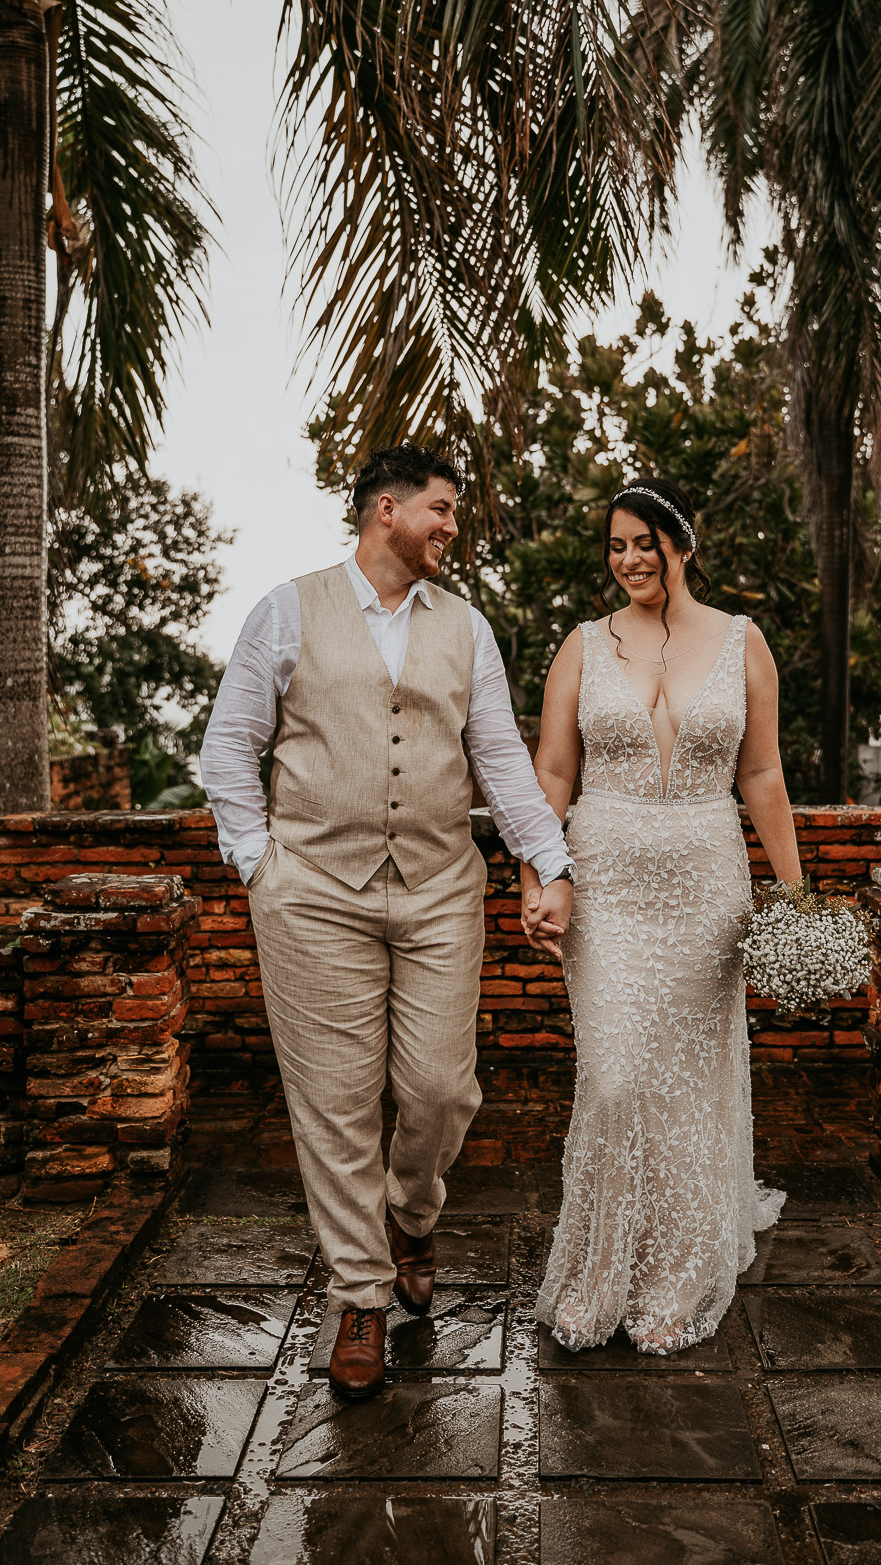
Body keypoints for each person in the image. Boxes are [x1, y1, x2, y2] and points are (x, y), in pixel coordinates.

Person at [200, 445, 574, 1400]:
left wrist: (548, 862)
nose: (452, 525)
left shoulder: (467, 628)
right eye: (441, 509)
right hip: (313, 892)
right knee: (334, 1103)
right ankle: (361, 1293)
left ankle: (414, 1212)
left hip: (441, 885)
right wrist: (261, 868)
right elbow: (229, 751)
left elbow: (499, 756)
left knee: (443, 1089)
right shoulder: (287, 610)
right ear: (385, 512)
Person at [524, 477, 803, 1355]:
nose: (629, 560)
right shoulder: (580, 646)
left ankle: (678, 1275)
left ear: (681, 544)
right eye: (614, 546)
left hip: (705, 882)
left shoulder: (741, 642)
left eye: (644, 542)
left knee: (685, 1087)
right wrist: (544, 871)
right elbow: (554, 774)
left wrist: (794, 897)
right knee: (613, 1076)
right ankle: (599, 1270)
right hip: (604, 882)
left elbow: (761, 776)